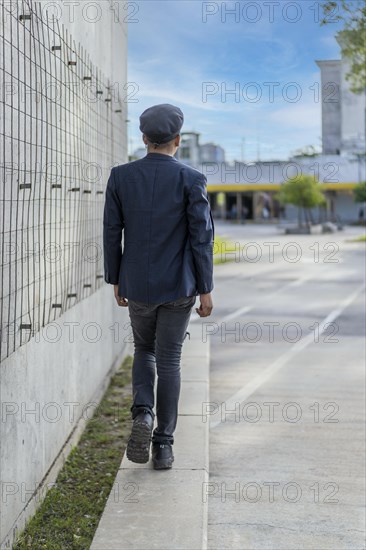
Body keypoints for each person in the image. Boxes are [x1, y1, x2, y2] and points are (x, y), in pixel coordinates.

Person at [103, 104, 214, 470]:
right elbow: (202, 238)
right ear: (177, 141)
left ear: (144, 139)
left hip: (137, 286)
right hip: (179, 287)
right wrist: (206, 288)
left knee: (143, 350)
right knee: (169, 360)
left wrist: (116, 278)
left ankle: (142, 415)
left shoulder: (120, 176)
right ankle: (163, 446)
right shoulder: (192, 179)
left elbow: (111, 232)